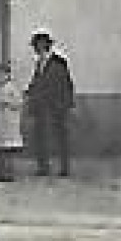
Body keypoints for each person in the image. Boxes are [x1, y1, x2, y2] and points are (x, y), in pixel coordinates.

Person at [26, 30, 74, 177]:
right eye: (34, 45)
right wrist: (30, 93)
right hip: (41, 106)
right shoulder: (39, 63)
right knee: (40, 135)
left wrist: (66, 104)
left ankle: (64, 167)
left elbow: (66, 84)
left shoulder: (59, 63)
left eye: (37, 45)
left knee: (60, 136)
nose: (35, 48)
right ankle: (43, 167)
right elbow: (36, 82)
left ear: (44, 45)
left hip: (56, 105)